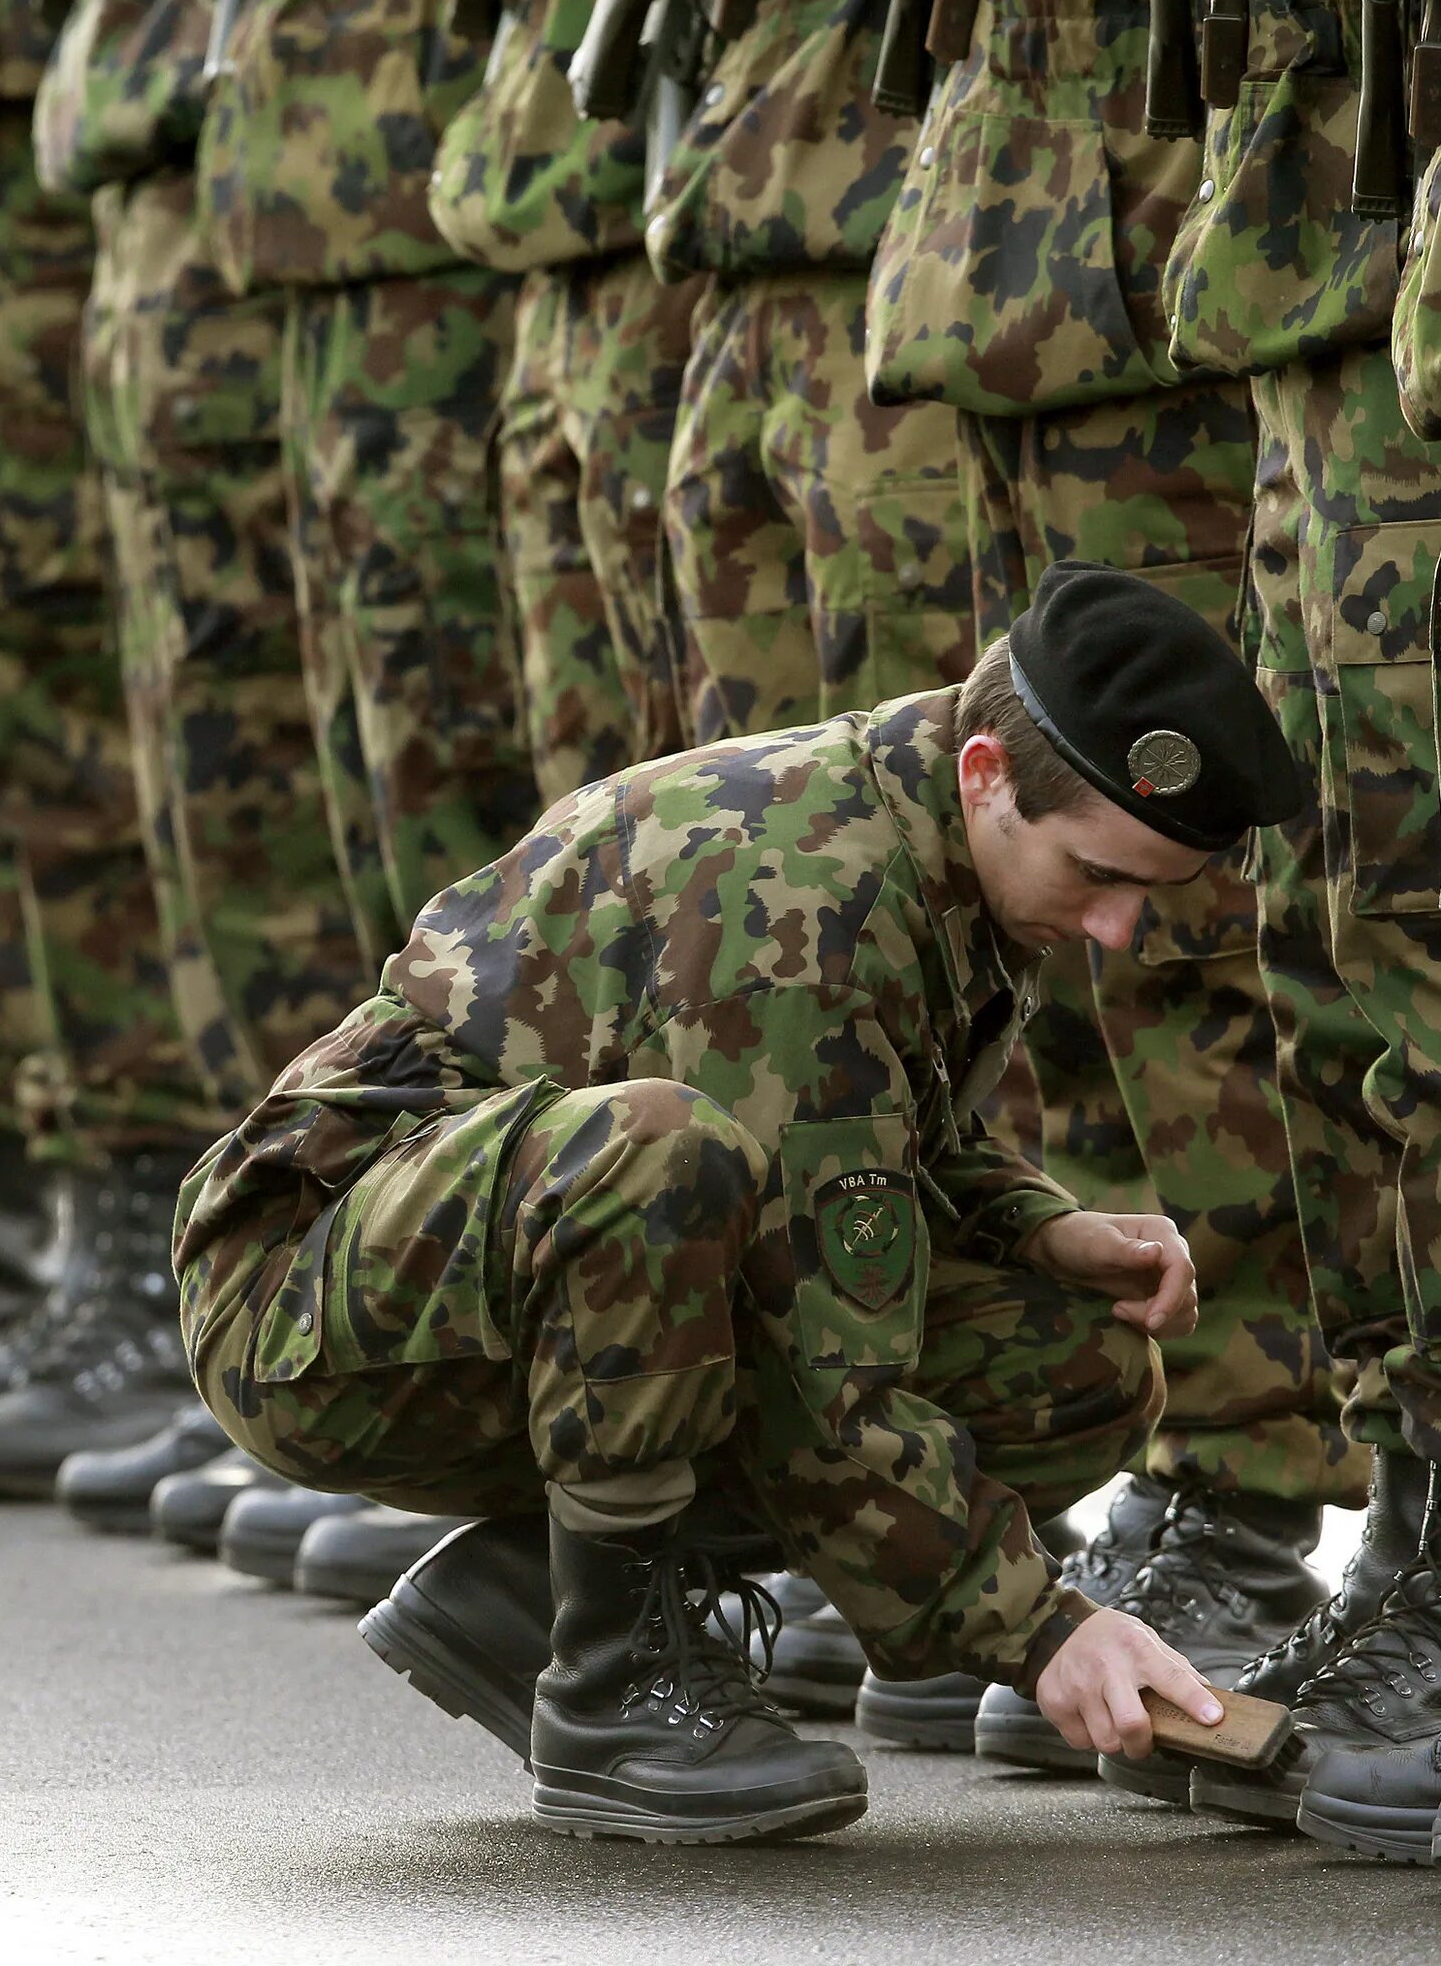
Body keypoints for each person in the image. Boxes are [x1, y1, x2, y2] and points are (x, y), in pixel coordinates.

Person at [176, 559, 1285, 1844]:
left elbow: (858, 1123)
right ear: (988, 773)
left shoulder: (936, 830)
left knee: (1079, 1363)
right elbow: (822, 1353)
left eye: (1146, 891)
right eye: (1102, 877)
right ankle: (610, 1687)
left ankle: (537, 1587)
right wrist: (1047, 1626)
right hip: (305, 1299)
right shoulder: (804, 901)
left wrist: (1032, 1221)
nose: (1117, 929)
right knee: (657, 1148)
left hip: (513, 1270)